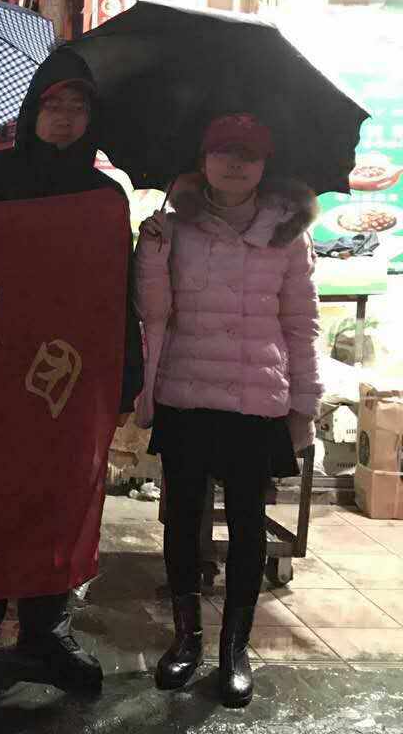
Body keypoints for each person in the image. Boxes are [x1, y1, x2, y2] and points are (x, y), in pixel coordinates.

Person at [0, 68, 144, 693]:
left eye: (77, 106)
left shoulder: (104, 196)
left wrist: (127, 376)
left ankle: (46, 629)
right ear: (32, 111)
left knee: (59, 500)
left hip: (68, 372)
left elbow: (119, 289)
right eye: (53, 104)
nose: (64, 117)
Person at [135, 113, 319, 708]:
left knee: (246, 523)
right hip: (185, 392)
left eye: (248, 155)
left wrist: (305, 404)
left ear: (265, 166)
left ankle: (234, 648)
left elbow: (302, 324)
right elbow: (153, 312)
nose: (234, 164)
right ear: (203, 159)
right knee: (181, 520)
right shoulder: (174, 228)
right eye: (223, 152)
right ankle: (186, 639)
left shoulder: (288, 235)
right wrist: (151, 253)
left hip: (256, 398)